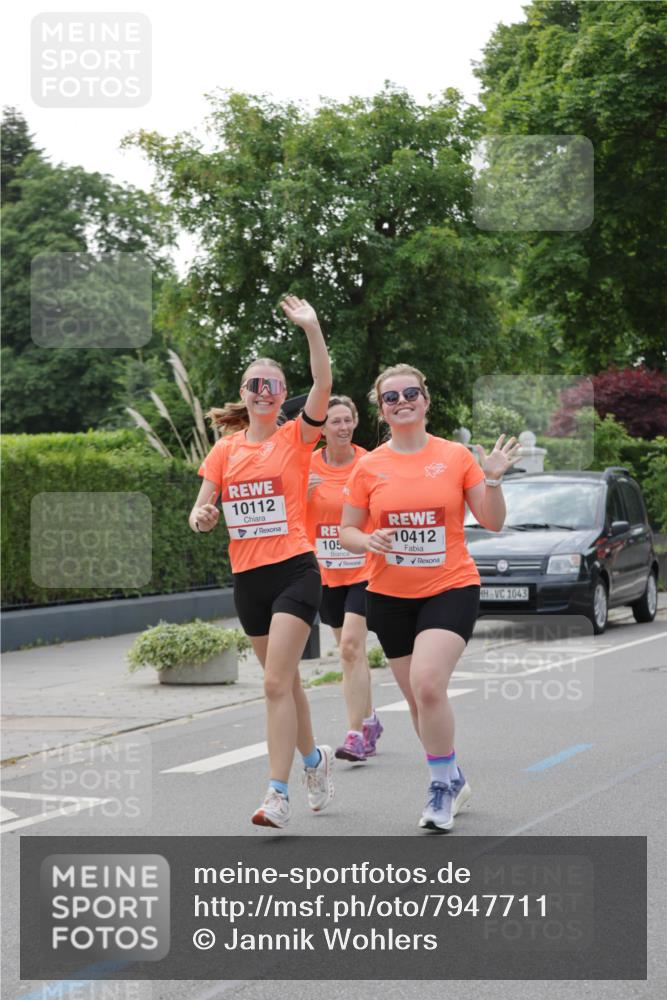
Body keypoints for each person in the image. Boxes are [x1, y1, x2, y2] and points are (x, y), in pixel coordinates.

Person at [339, 364, 520, 832]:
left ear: (426, 399)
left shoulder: (455, 456)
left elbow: (492, 520)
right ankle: (454, 776)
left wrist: (494, 479)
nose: (402, 401)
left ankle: (439, 788)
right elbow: (347, 530)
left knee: (428, 684)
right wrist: (367, 542)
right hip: (388, 595)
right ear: (381, 409)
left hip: (450, 587)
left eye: (410, 393)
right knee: (421, 703)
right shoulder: (369, 465)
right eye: (391, 397)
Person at [189, 296, 334, 830]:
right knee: (286, 682)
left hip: (296, 570)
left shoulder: (297, 438)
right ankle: (315, 760)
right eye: (256, 384)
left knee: (274, 683)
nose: (265, 392)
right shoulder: (225, 450)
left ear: (280, 397)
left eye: (274, 385)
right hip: (248, 579)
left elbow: (321, 385)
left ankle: (278, 794)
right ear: (245, 395)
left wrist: (312, 328)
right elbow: (201, 509)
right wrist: (203, 517)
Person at [305, 395, 383, 763]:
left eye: (347, 420)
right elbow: (287, 512)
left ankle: (355, 735)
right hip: (325, 571)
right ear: (321, 429)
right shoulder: (305, 466)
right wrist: (297, 494)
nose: (342, 427)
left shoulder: (369, 463)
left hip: (364, 568)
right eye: (334, 421)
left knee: (352, 647)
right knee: (349, 653)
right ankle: (370, 721)